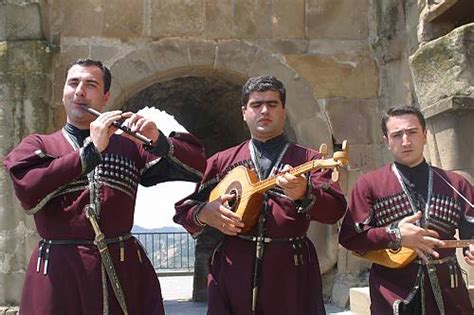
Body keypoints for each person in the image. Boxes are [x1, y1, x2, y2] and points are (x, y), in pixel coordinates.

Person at [3, 58, 206, 315]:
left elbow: (199, 166)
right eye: (73, 83)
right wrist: (89, 152)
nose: (79, 91)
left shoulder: (129, 147)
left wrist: (158, 140)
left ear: (105, 97)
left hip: (122, 267)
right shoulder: (38, 145)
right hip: (58, 272)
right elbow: (28, 187)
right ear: (64, 92)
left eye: (90, 85)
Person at [174, 75, 347, 315]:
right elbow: (185, 211)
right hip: (234, 267)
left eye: (272, 104)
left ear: (283, 111)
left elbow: (335, 209)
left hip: (290, 269)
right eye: (256, 105)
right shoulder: (223, 161)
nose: (264, 110)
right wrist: (204, 213)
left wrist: (304, 193)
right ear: (244, 112)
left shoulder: (310, 160)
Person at [339, 106, 474, 314]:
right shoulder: (369, 184)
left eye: (412, 132)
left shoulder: (456, 183)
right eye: (397, 135)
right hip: (393, 292)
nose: (405, 141)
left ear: (425, 135)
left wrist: (471, 249)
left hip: (449, 290)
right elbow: (350, 237)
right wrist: (395, 235)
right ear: (386, 141)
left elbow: (470, 231)